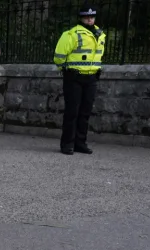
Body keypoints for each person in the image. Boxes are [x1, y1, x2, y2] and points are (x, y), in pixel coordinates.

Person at [53, 5, 106, 155]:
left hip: (91, 77)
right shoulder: (71, 34)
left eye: (92, 17)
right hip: (74, 77)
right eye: (86, 17)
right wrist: (65, 69)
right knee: (72, 112)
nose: (89, 19)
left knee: (85, 112)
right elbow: (58, 57)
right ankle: (67, 144)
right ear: (81, 18)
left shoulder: (100, 35)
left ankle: (80, 143)